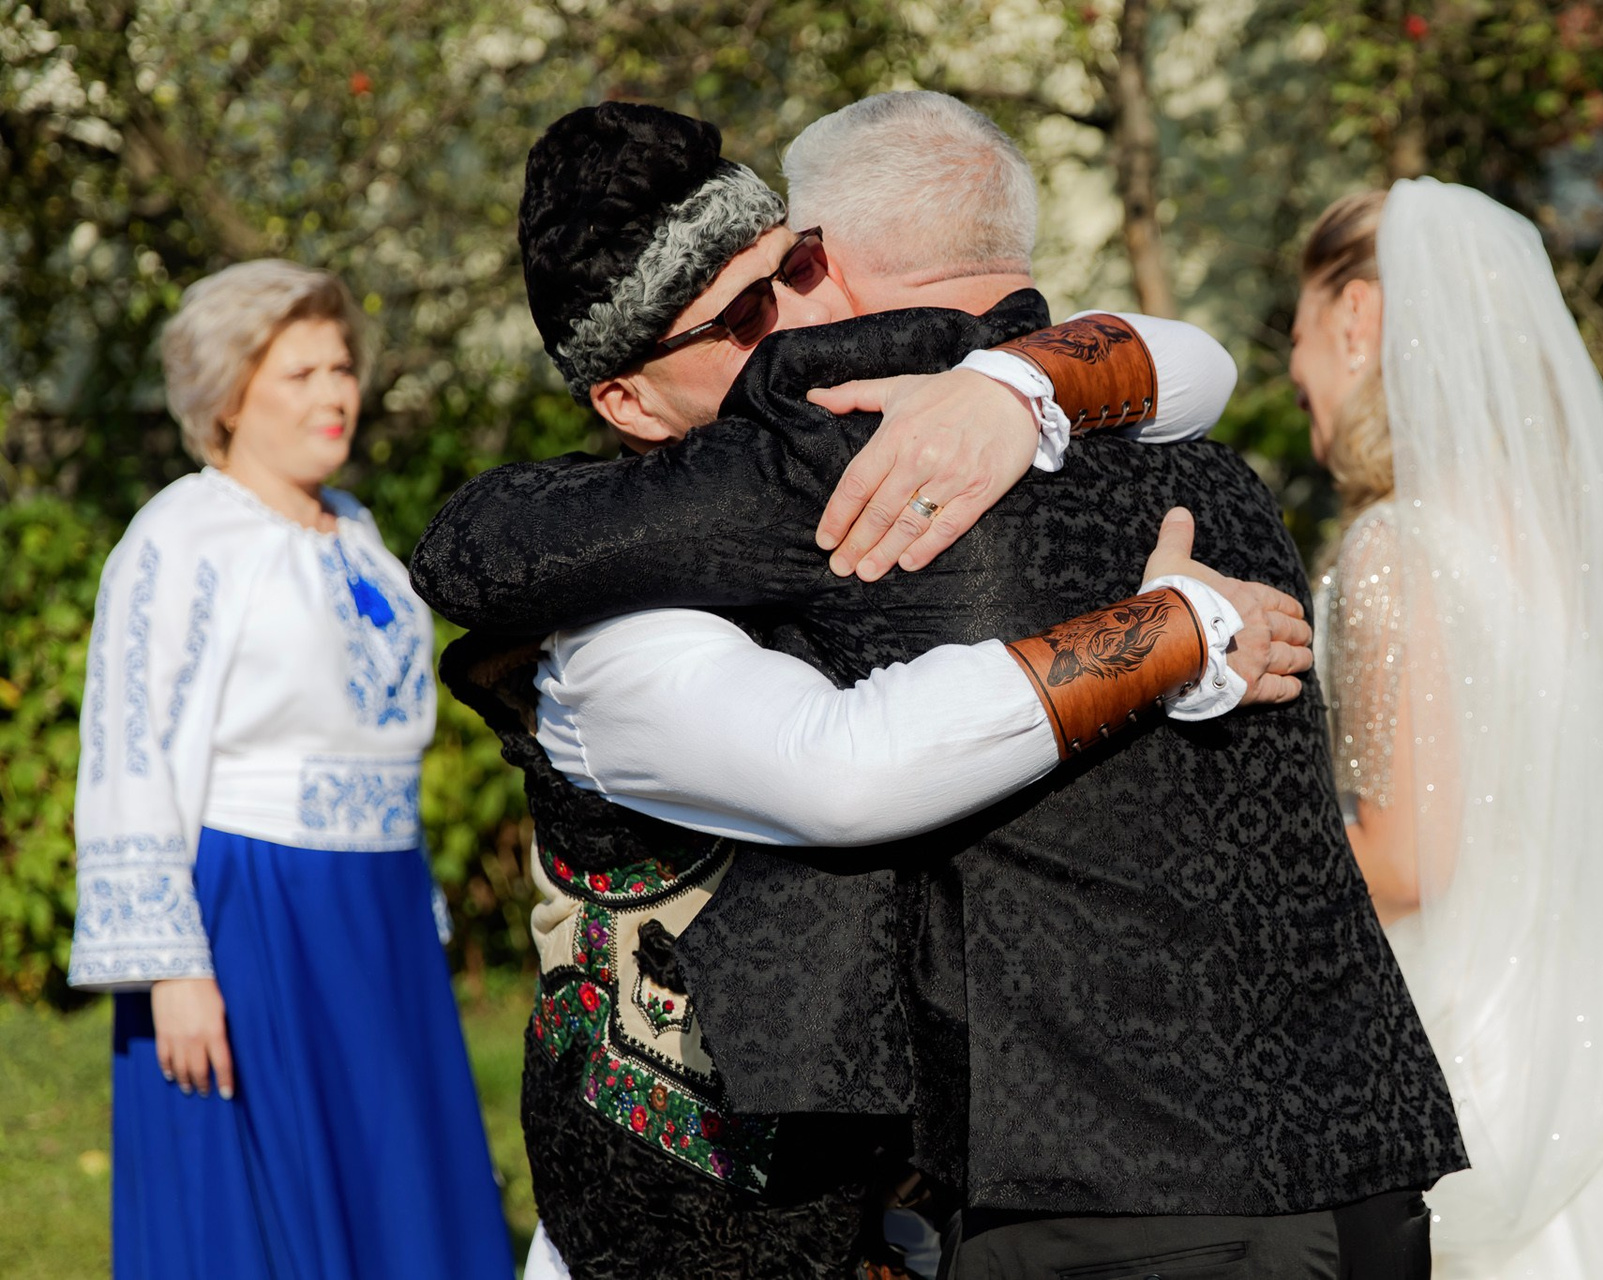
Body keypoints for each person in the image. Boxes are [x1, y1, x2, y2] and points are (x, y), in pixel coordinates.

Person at [414, 93, 1465, 1280]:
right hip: (698, 1233)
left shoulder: (945, 437)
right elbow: (843, 768)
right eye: (747, 311)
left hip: (1108, 1200)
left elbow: (1195, 359)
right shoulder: (644, 594)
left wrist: (1015, 386)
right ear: (629, 398)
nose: (793, 318)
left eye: (796, 269)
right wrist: (1164, 631)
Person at [1293, 178, 1603, 1278]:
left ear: (1355, 315)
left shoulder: (1397, 547)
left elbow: (1411, 859)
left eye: (1298, 331)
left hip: (1475, 1037)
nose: (1295, 370)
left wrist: (1246, 872)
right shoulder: (1558, 543)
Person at [67, 261, 514, 1280]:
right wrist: (174, 967)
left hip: (374, 908)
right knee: (265, 1211)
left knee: (395, 1186)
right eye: (300, 373)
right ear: (228, 396)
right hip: (254, 908)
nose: (334, 393)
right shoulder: (180, 536)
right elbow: (128, 745)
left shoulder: (356, 529)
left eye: (341, 367)